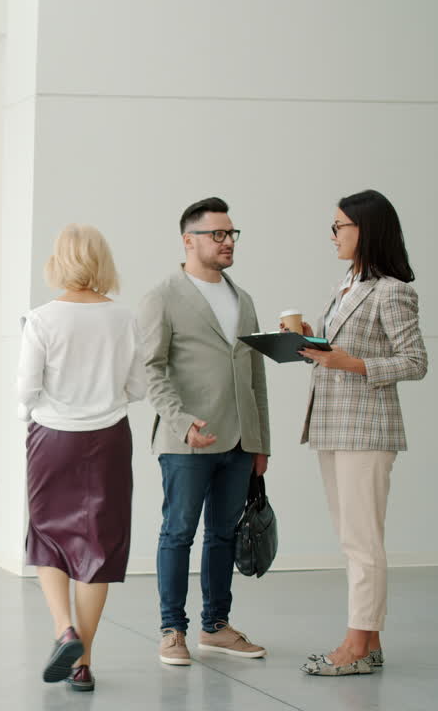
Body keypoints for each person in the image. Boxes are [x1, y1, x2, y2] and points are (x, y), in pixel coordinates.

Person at [293, 190, 427, 676]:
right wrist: (312, 341)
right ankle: (368, 642)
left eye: (339, 227)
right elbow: (342, 349)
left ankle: (354, 645)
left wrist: (352, 362)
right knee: (353, 538)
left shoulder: (392, 290)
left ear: (365, 230)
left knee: (362, 540)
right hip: (332, 423)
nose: (332, 236)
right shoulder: (348, 283)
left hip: (366, 428)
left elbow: (416, 363)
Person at [138, 197, 270, 667]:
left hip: (238, 441)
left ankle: (216, 626)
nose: (228, 242)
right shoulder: (163, 295)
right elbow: (152, 369)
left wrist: (261, 443)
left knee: (223, 536)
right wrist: (180, 420)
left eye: (232, 234)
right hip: (184, 441)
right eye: (218, 234)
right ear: (188, 240)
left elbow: (255, 376)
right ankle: (172, 630)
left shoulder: (243, 299)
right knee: (178, 532)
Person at [18, 224, 146, 693]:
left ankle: (63, 631)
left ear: (58, 261)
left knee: (47, 535)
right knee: (99, 544)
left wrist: (29, 417)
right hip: (110, 439)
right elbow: (138, 387)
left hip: (53, 438)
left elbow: (26, 389)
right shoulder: (124, 317)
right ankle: (83, 662)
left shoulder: (42, 318)